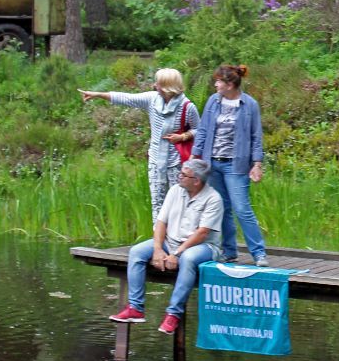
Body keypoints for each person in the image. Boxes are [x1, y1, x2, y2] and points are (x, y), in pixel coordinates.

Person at [110, 157, 223, 334]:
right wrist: (157, 249)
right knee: (137, 252)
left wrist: (176, 254)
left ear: (197, 181)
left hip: (203, 247)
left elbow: (202, 233)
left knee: (189, 258)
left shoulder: (213, 199)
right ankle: (135, 308)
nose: (179, 177)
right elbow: (161, 222)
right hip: (171, 241)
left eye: (184, 175)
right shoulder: (175, 191)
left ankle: (173, 314)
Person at [79, 68, 200, 223]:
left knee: (178, 202)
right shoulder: (152, 99)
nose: (154, 85)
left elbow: (199, 130)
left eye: (158, 83)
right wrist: (98, 95)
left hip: (177, 163)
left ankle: (178, 240)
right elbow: (126, 98)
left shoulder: (187, 106)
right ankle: (158, 242)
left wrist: (182, 136)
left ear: (167, 86)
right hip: (156, 161)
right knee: (157, 203)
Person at [191, 64, 268, 267]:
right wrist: (194, 157)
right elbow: (203, 130)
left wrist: (257, 164)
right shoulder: (212, 102)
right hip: (212, 162)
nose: (215, 84)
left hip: (237, 164)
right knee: (222, 209)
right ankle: (229, 251)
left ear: (230, 84)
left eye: (219, 81)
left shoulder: (249, 105)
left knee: (242, 208)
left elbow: (256, 136)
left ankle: (259, 253)